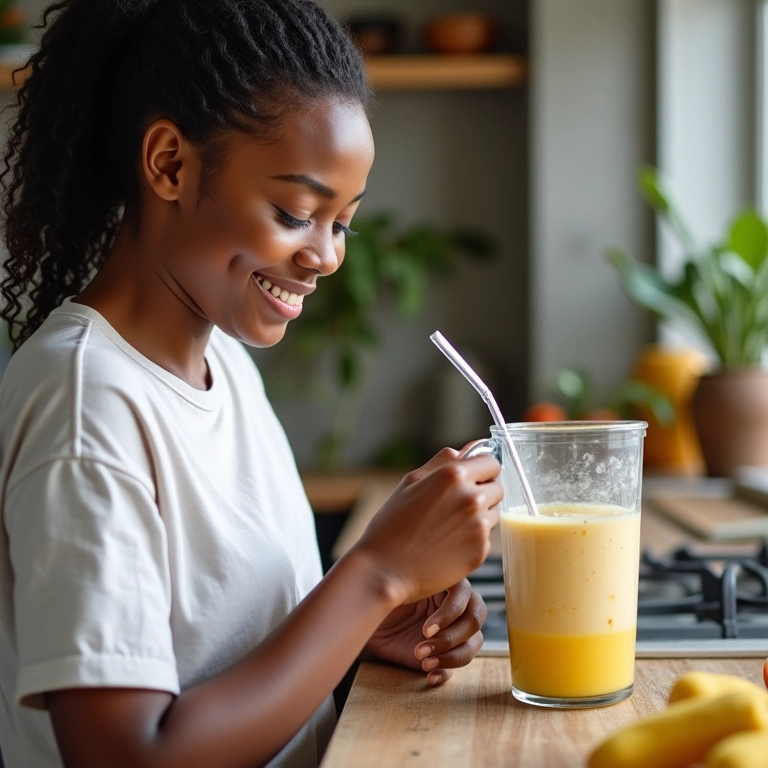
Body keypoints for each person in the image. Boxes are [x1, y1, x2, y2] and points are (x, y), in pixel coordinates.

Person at [0, 1, 503, 766]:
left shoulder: (224, 363)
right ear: (169, 163)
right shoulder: (87, 403)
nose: (327, 255)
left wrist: (367, 626)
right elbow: (125, 754)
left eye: (342, 222)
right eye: (296, 212)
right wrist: (375, 574)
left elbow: (220, 651)